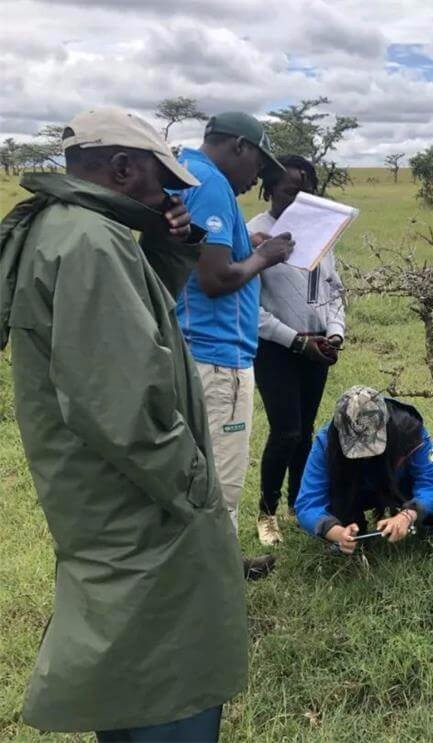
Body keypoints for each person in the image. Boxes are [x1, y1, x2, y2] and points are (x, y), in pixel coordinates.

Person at [0, 107, 247, 740]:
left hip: (103, 499)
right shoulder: (90, 243)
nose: (169, 196)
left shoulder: (66, 230)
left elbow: (136, 324)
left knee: (130, 669)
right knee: (174, 666)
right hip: (141, 504)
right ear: (120, 167)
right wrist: (197, 492)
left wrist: (167, 244)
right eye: (159, 182)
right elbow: (124, 406)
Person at [174, 112, 295, 578]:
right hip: (217, 358)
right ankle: (214, 588)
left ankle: (212, 563)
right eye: (259, 168)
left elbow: (210, 255)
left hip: (197, 350)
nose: (256, 181)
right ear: (239, 147)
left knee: (195, 472)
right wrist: (263, 257)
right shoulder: (210, 183)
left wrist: (249, 242)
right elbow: (216, 277)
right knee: (221, 481)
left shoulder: (188, 173)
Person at [248, 155, 346, 546]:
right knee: (285, 431)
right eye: (290, 191)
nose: (299, 200)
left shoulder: (321, 234)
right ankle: (266, 512)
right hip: (276, 349)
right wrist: (297, 341)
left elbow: (333, 289)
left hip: (318, 347)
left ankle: (297, 504)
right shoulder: (253, 233)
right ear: (269, 188)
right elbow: (250, 309)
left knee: (305, 431)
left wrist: (335, 333)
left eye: (307, 191)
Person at [294, 386, 433, 553]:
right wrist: (336, 532)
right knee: (331, 515)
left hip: (398, 484)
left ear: (386, 425)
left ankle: (429, 529)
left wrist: (408, 515)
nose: (365, 456)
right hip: (352, 489)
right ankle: (351, 534)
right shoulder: (326, 443)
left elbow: (431, 481)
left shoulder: (409, 430)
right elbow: (308, 503)